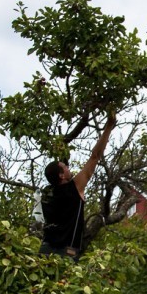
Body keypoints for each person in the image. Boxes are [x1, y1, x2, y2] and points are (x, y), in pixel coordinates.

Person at [39, 111, 116, 259]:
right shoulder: (74, 188)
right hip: (66, 251)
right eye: (65, 167)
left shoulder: (47, 194)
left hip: (45, 248)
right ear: (61, 175)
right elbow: (95, 156)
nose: (69, 168)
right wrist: (109, 126)